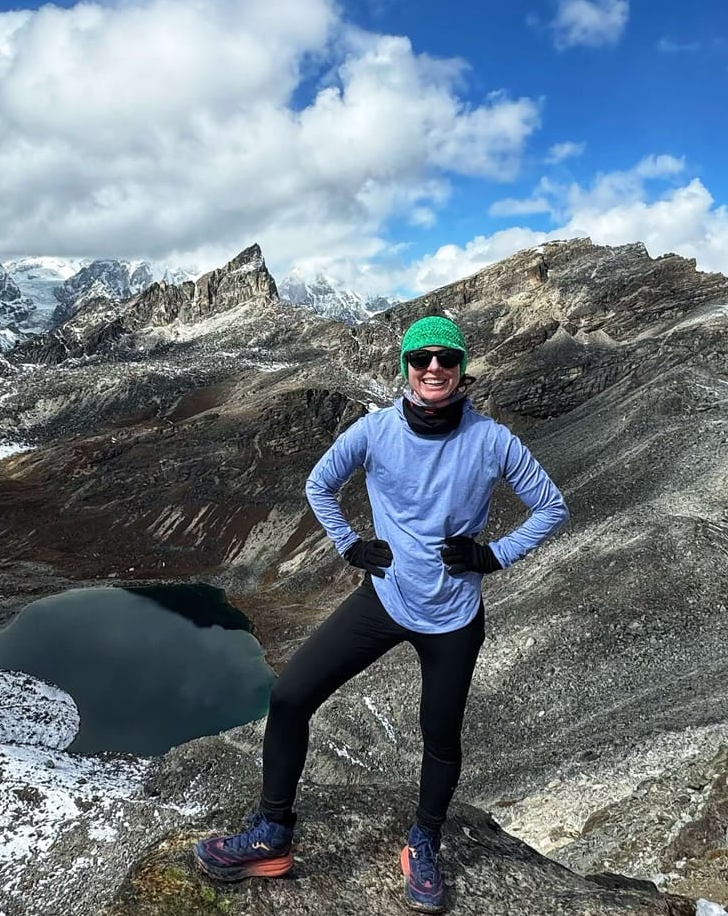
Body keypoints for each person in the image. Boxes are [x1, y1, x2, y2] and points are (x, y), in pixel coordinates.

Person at [193, 315, 569, 913]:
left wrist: (492, 554)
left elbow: (551, 508)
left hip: (452, 615)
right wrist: (349, 544)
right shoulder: (375, 431)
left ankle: (423, 843)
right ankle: (272, 835)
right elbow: (320, 485)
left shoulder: (491, 441)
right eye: (421, 361)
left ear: (461, 367)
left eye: (446, 358)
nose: (434, 369)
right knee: (290, 697)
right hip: (385, 597)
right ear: (406, 370)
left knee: (439, 737)